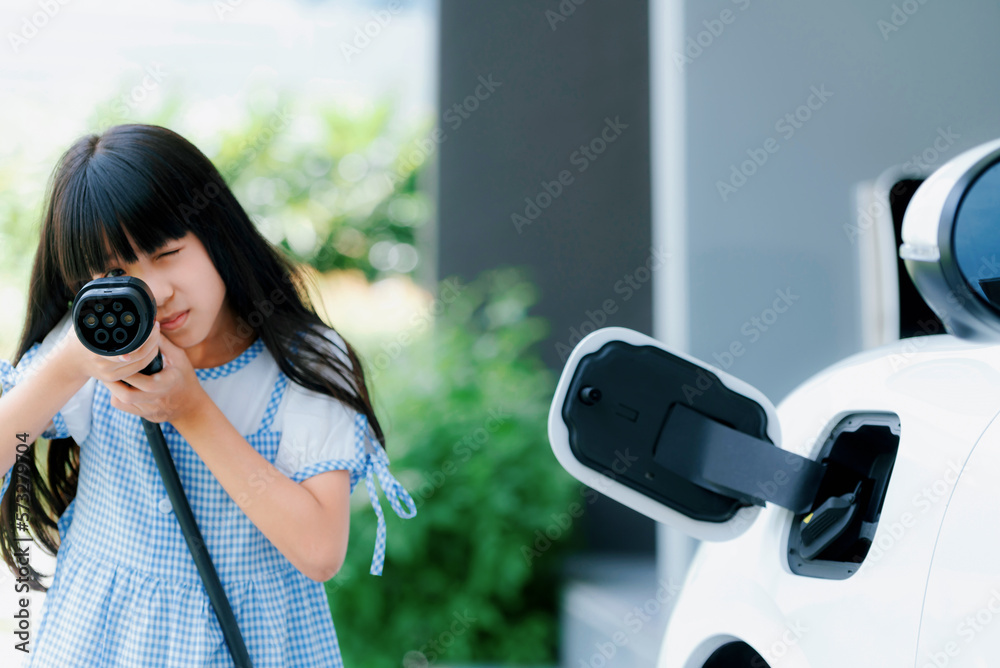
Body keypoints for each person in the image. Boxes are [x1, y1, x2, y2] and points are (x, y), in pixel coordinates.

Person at [0, 124, 417, 666]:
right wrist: (70, 365)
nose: (157, 291)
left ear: (218, 232)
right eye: (114, 273)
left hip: (256, 639)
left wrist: (191, 410)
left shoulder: (302, 362)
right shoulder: (85, 354)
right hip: (103, 638)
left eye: (168, 252)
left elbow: (319, 552)